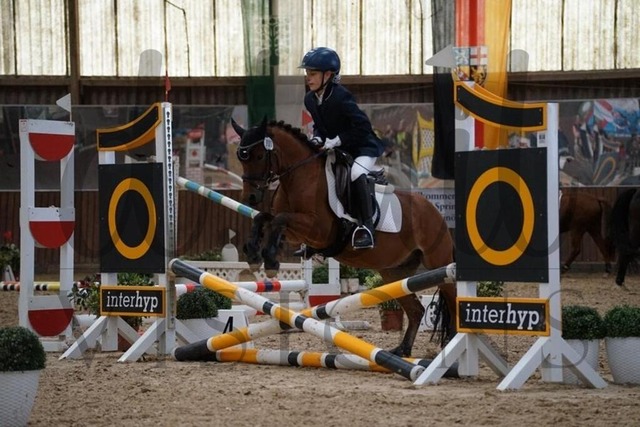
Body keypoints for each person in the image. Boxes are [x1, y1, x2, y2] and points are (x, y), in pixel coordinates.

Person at [298, 47, 384, 250]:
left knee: (356, 174)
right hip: (338, 151)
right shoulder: (310, 99)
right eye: (307, 73)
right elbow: (320, 125)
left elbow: (364, 127)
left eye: (313, 74)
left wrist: (338, 139)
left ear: (328, 75)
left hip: (362, 148)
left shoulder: (341, 96)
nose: (308, 78)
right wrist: (317, 138)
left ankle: (367, 228)